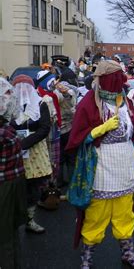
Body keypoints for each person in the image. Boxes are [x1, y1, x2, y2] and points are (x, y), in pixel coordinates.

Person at [66, 60, 134, 268]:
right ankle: (87, 257)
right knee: (96, 214)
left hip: (125, 163)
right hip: (101, 165)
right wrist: (100, 129)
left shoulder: (125, 101)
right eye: (116, 79)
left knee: (125, 212)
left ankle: (127, 252)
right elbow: (77, 138)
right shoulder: (89, 103)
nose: (120, 83)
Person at [11, 75, 52, 234]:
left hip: (34, 150)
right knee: (14, 186)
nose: (22, 91)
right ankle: (13, 219)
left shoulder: (41, 103)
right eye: (18, 87)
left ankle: (30, 219)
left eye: (25, 87)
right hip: (14, 149)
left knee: (33, 185)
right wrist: (16, 143)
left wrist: (25, 143)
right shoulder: (8, 106)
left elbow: (44, 128)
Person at [0, 77, 27, 269]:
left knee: (4, 234)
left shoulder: (4, 134)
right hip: (14, 183)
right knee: (10, 230)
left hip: (4, 187)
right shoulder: (8, 130)